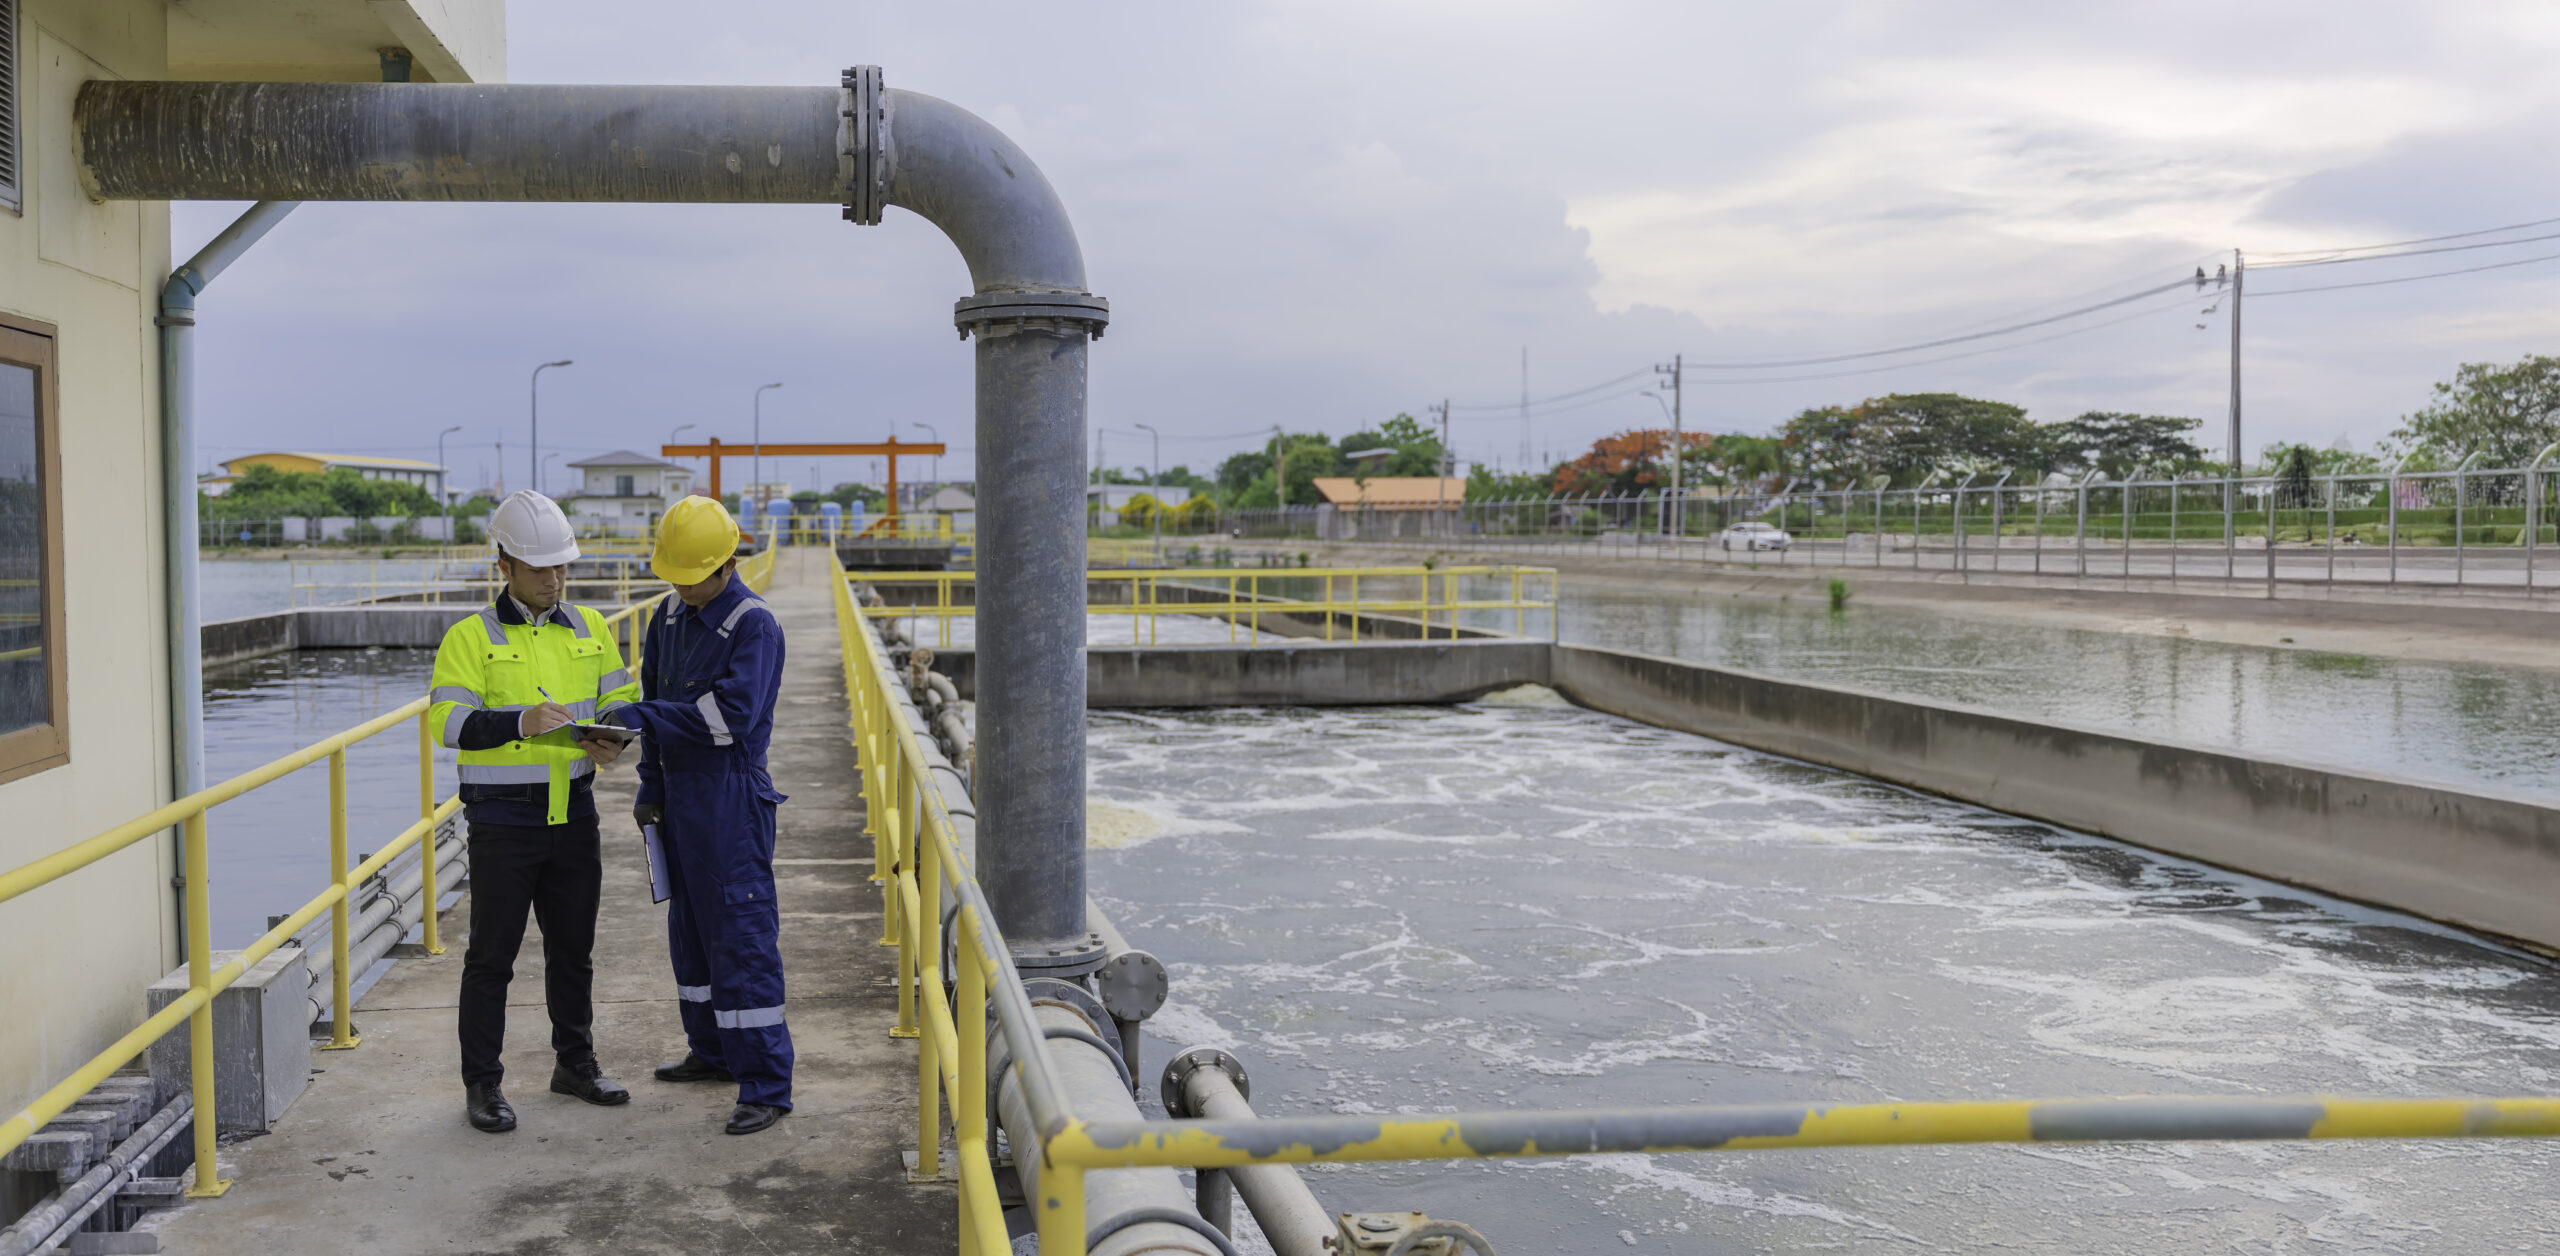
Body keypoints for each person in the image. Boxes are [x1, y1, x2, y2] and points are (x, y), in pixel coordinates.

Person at [426, 491, 640, 1133]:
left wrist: (615, 738)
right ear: (504, 566)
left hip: (574, 815)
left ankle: (575, 1065)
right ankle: (483, 1086)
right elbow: (446, 721)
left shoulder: (591, 628)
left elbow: (622, 698)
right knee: (492, 957)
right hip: (502, 823)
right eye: (540, 567)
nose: (555, 579)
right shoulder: (469, 639)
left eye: (562, 567)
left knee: (573, 951)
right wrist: (519, 720)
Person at [604, 495, 794, 1134]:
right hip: (681, 800)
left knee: (738, 936)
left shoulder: (753, 625)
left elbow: (729, 719)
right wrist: (649, 786)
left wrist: (643, 717)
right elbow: (656, 703)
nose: (682, 588)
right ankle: (711, 1052)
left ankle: (764, 1084)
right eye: (674, 577)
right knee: (689, 933)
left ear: (728, 563)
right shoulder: (668, 617)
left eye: (693, 577)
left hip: (730, 800)